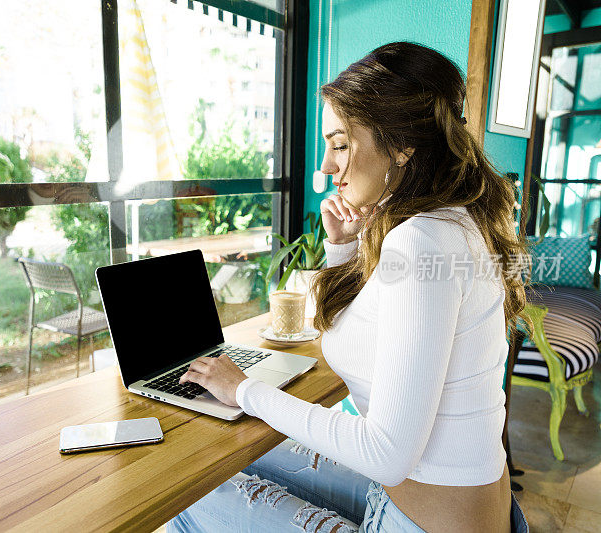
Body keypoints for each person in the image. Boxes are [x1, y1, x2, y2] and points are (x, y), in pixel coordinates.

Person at [167, 42, 530, 532]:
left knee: (187, 494)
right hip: (438, 506)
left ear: (402, 144)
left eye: (340, 144)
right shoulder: (448, 224)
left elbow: (385, 454)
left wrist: (244, 390)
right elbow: (361, 330)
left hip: (420, 521)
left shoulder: (421, 241)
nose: (325, 167)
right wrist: (343, 247)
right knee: (227, 460)